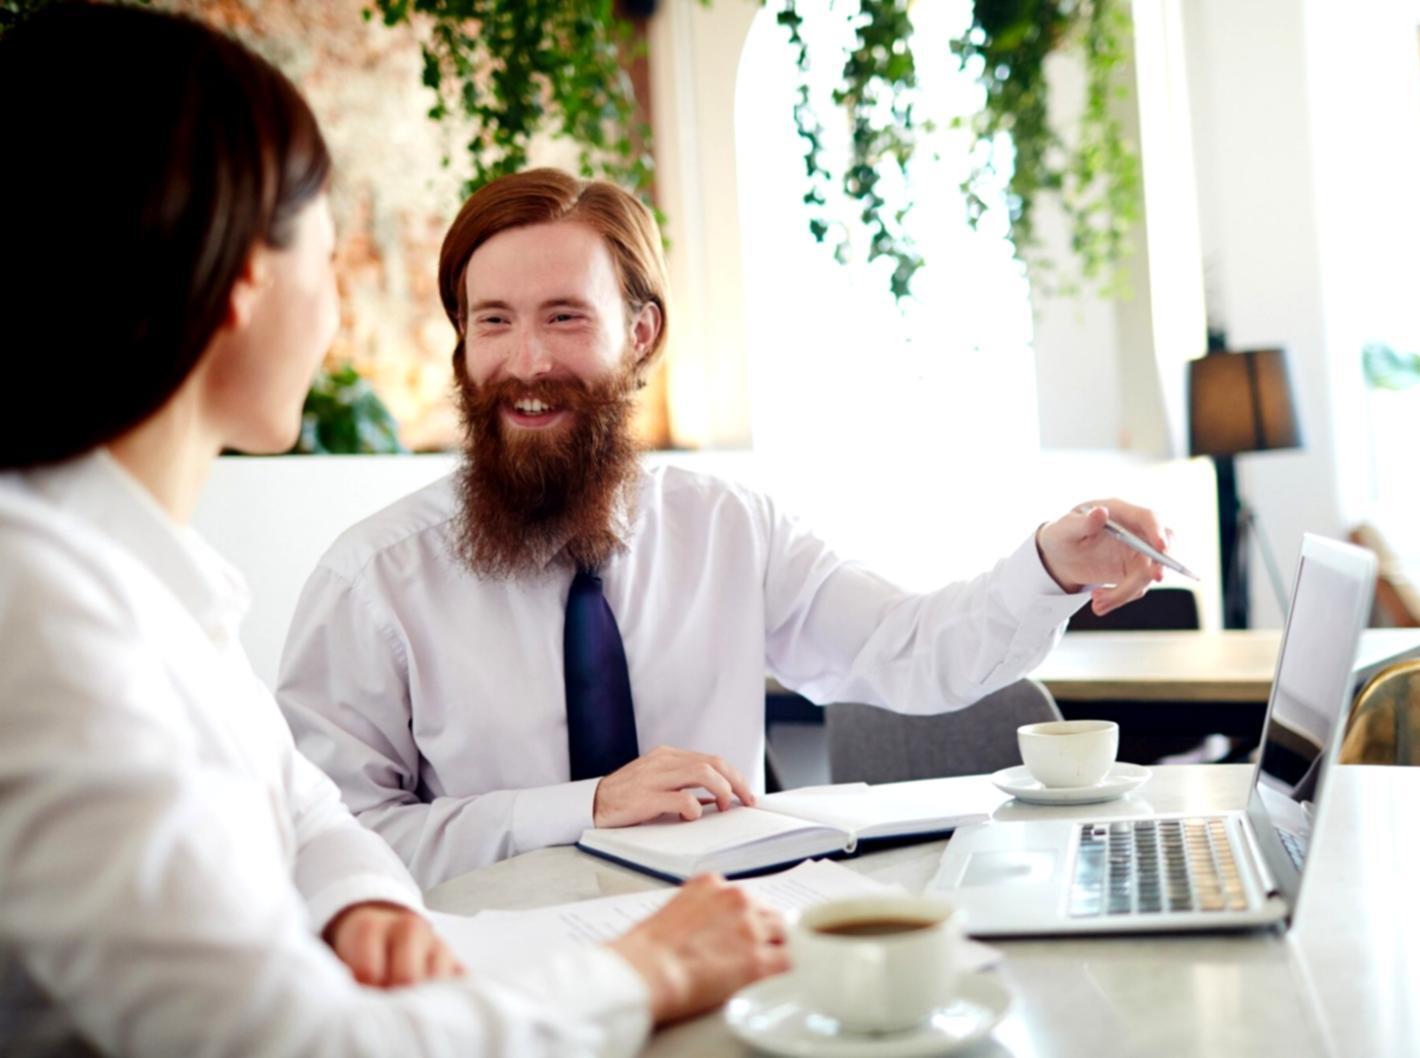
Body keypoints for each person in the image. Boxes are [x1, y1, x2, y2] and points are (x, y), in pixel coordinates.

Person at [0, 6, 783, 1056]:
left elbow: (312, 810)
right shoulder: (38, 614)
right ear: (244, 279)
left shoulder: (151, 580)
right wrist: (644, 968)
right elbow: (282, 1040)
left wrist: (360, 904)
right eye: (327, 261)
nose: (334, 314)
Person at [277, 167, 1174, 888]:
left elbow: (909, 650)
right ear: (463, 345)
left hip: (730, 957)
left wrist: (1050, 566)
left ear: (641, 334)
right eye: (493, 323)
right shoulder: (374, 581)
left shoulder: (730, 527)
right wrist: (585, 807)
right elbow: (328, 842)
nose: (528, 362)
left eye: (565, 316)